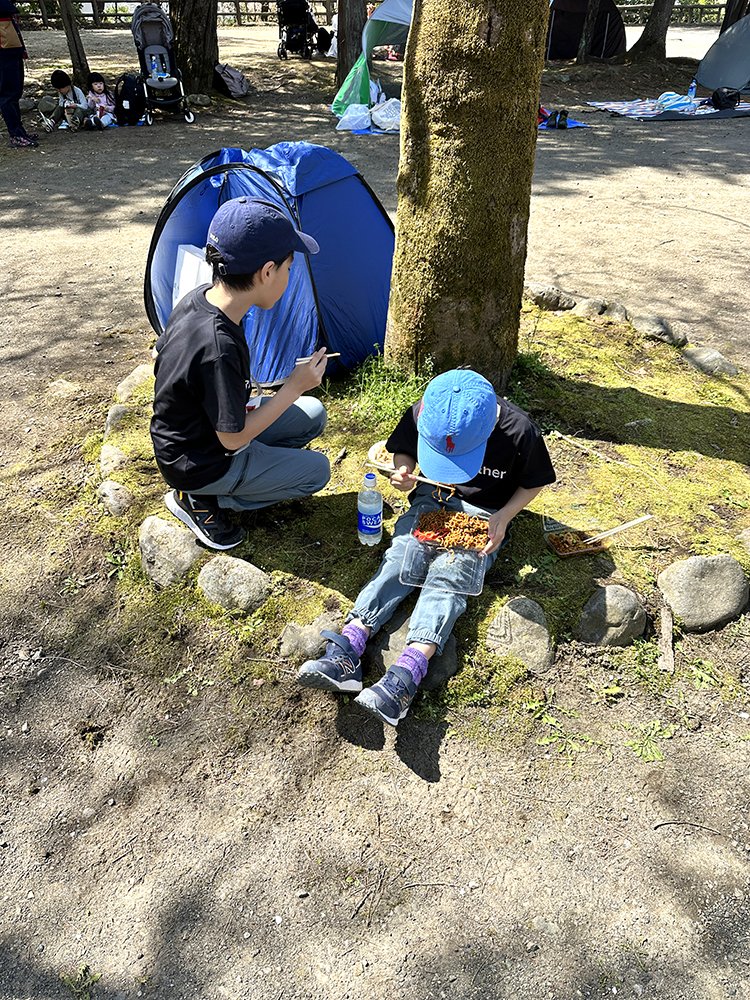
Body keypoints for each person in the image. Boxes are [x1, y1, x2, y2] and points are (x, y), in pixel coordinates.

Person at [297, 369, 557, 726]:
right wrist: (403, 473)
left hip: (482, 516)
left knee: (451, 576)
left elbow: (534, 483)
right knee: (400, 556)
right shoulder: (426, 411)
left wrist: (506, 516)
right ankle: (350, 644)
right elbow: (403, 451)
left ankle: (405, 675)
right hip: (429, 499)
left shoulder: (519, 431)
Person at [150, 196, 332, 551]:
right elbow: (231, 440)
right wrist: (293, 387)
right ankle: (202, 499)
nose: (288, 277)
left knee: (314, 415)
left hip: (191, 436)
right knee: (317, 471)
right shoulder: (219, 347)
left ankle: (239, 477)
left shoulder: (199, 298)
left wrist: (236, 401)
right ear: (267, 272)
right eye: (289, 269)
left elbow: (163, 355)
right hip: (200, 462)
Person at [0, 0, 37, 148]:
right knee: (7, 95)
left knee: (15, 92)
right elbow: (8, 8)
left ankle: (20, 131)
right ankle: (15, 134)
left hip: (12, 48)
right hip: (4, 51)